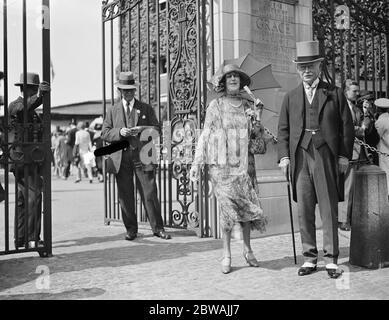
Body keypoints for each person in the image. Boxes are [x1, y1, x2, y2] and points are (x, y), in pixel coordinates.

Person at [277, 41, 354, 279]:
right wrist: (284, 157)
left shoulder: (334, 93)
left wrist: (343, 155)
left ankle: (331, 259)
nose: (307, 71)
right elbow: (283, 130)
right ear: (298, 70)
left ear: (319, 66)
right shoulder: (290, 97)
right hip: (300, 157)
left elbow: (347, 127)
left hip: (325, 155)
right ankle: (309, 258)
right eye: (302, 67)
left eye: (311, 65)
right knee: (305, 209)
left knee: (329, 207)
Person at [189, 64, 269, 274]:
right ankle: (226, 253)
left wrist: (258, 117)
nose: (233, 79)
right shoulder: (215, 105)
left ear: (241, 82)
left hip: (245, 168)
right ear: (223, 82)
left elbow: (257, 144)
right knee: (227, 213)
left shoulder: (248, 106)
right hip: (222, 168)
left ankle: (247, 250)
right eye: (229, 76)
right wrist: (197, 163)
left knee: (245, 212)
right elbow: (206, 135)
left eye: (236, 76)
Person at [101, 71, 171, 241]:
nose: (129, 93)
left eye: (131, 90)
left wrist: (142, 130)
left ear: (135, 90)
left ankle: (158, 228)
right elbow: (104, 133)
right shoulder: (113, 111)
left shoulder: (145, 108)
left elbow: (157, 130)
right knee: (125, 195)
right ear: (120, 91)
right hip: (121, 158)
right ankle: (131, 230)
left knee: (149, 193)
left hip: (143, 155)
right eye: (125, 90)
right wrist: (119, 132)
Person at [8, 72, 50, 248]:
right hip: (22, 160)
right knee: (34, 197)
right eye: (33, 89)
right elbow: (21, 109)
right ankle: (32, 238)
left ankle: (21, 237)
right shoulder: (16, 105)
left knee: (22, 200)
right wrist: (40, 96)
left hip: (30, 160)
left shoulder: (32, 112)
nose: (35, 93)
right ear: (26, 89)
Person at [338, 79, 370, 231]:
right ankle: (343, 220)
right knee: (347, 188)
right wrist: (360, 128)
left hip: (358, 153)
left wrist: (365, 114)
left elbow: (365, 128)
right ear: (346, 91)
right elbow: (346, 128)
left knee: (354, 189)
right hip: (345, 153)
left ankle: (350, 218)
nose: (357, 93)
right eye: (354, 91)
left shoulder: (357, 109)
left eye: (358, 91)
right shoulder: (340, 106)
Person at [374, 98, 389, 196]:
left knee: (386, 176)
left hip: (384, 153)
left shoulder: (380, 122)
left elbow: (375, 138)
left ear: (378, 109)